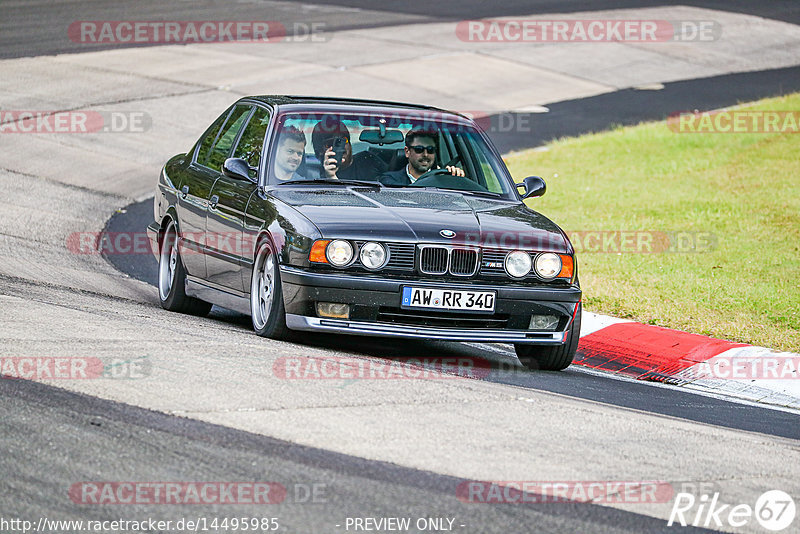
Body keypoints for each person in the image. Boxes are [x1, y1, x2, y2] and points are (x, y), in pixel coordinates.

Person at [379, 129, 465, 186]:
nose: (425, 154)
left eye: (430, 149)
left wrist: (456, 179)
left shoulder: (444, 179)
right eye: (419, 149)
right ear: (407, 152)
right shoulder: (390, 180)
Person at [311, 118, 384, 181]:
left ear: (349, 143)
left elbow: (390, 180)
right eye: (330, 143)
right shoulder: (313, 176)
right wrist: (330, 177)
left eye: (343, 140)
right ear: (319, 151)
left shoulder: (368, 160)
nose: (340, 147)